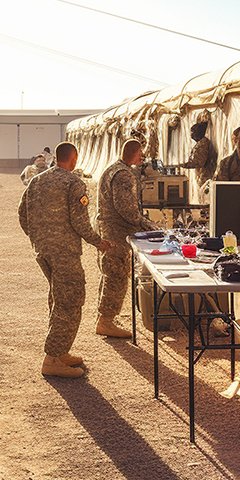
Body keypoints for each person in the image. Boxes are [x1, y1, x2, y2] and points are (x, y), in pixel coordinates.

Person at [18, 141, 111, 378]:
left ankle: (60, 351)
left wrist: (37, 237)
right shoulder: (73, 182)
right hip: (64, 252)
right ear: (74, 157)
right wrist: (99, 242)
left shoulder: (37, 180)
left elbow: (22, 213)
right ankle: (52, 359)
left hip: (43, 250)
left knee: (58, 297)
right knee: (69, 300)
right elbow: (80, 222)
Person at [96, 139, 159, 338]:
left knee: (109, 274)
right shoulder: (123, 174)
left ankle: (104, 318)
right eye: (141, 152)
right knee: (116, 275)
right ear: (134, 153)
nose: (142, 157)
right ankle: (106, 322)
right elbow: (126, 208)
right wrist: (147, 225)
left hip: (109, 229)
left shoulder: (113, 169)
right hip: (117, 232)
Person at [176, 115, 217, 194]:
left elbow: (198, 162)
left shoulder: (203, 144)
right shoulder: (201, 143)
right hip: (205, 178)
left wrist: (182, 165)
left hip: (206, 177)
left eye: (193, 132)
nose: (191, 135)